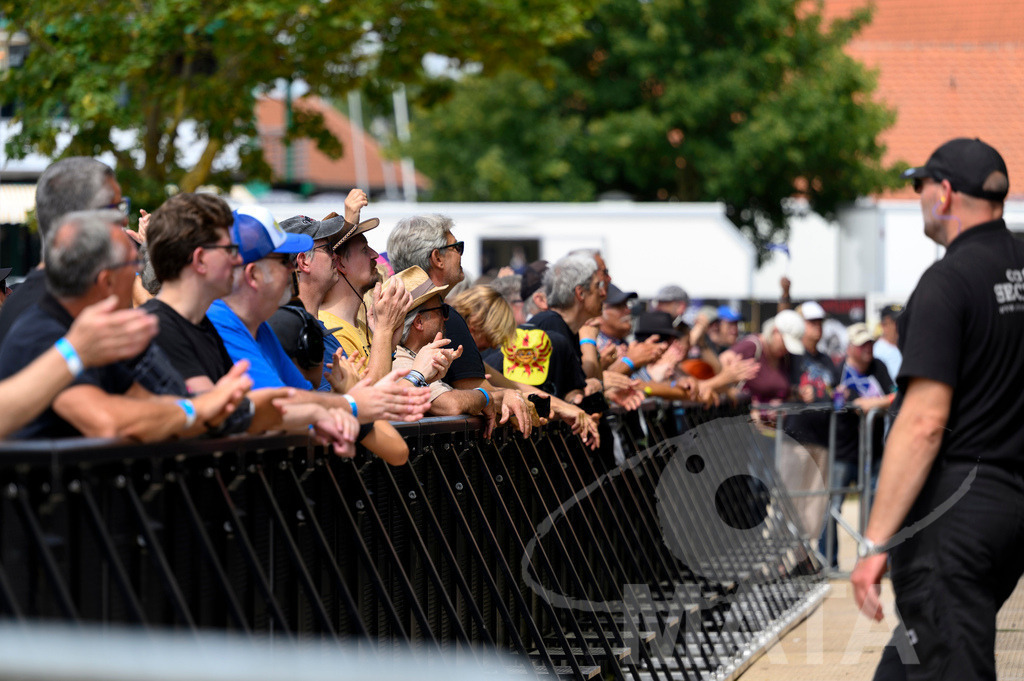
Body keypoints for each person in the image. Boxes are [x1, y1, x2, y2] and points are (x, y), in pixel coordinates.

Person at [851, 138, 1024, 680]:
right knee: (914, 656)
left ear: (944, 194)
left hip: (953, 516)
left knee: (949, 654)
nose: (917, 197)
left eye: (919, 186)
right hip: (1008, 508)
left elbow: (924, 422)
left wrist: (876, 541)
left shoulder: (947, 281)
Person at [0, 210, 250, 441]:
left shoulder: (100, 332)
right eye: (135, 264)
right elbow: (109, 422)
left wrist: (209, 407)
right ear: (106, 280)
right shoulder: (43, 333)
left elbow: (148, 400)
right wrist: (197, 409)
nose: (139, 275)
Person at [0, 157, 125, 345]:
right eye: (113, 207)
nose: (123, 220)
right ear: (75, 220)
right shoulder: (39, 316)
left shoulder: (73, 297)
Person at [821, 322, 895, 566]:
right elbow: (841, 403)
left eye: (870, 343)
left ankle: (870, 561)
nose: (868, 348)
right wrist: (870, 402)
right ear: (850, 347)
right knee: (833, 507)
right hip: (844, 451)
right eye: (862, 344)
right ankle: (827, 562)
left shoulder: (879, 366)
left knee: (876, 509)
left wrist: (871, 404)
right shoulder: (837, 369)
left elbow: (895, 396)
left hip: (873, 451)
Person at [873, 304, 903, 381]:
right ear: (883, 325)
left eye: (903, 320)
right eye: (895, 322)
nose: (901, 325)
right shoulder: (876, 352)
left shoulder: (908, 347)